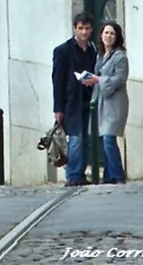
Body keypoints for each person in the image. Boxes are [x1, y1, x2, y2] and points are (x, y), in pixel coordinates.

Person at [52, 12, 98, 187]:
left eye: (87, 28)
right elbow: (57, 80)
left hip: (89, 99)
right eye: (81, 28)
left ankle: (81, 173)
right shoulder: (63, 50)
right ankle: (73, 175)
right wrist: (58, 108)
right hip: (71, 102)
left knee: (86, 139)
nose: (84, 32)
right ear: (74, 29)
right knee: (76, 138)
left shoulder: (93, 50)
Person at [82, 21, 129, 184]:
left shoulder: (120, 57)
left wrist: (98, 80)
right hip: (101, 102)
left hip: (115, 103)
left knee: (109, 137)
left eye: (112, 33)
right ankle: (109, 176)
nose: (108, 36)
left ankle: (118, 175)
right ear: (101, 35)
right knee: (103, 138)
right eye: (106, 33)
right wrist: (90, 80)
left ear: (117, 37)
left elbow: (120, 78)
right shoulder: (100, 56)